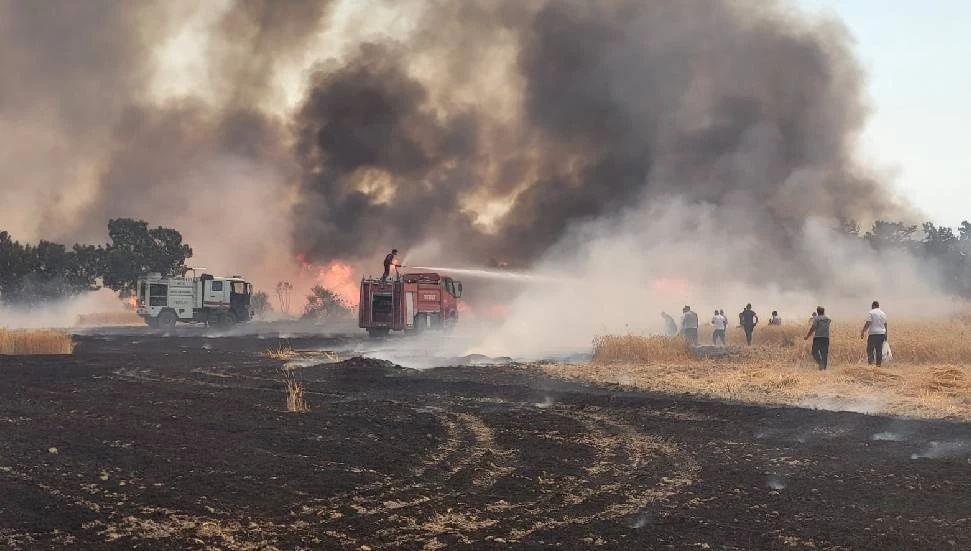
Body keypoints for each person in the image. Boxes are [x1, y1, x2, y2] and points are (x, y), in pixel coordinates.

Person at [861, 300, 888, 366]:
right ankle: (878, 366)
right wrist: (886, 334)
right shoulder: (883, 313)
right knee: (879, 350)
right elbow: (885, 324)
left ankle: (871, 365)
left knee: (870, 349)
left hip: (873, 334)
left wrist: (863, 331)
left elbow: (868, 323)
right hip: (881, 334)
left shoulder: (871, 312)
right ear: (878, 306)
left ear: (873, 306)